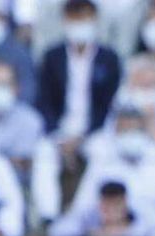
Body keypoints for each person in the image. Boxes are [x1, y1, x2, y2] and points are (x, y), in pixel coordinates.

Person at [61, 104, 155, 236]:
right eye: (124, 128)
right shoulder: (102, 158)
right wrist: (98, 231)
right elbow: (81, 207)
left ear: (143, 128)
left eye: (133, 128)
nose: (129, 133)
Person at [36, 0, 121, 155]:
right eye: (74, 18)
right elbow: (45, 100)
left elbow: (108, 103)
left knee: (101, 151)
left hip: (95, 130)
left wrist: (84, 136)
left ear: (95, 19)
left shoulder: (108, 58)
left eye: (84, 18)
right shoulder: (53, 57)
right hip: (59, 128)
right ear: (65, 20)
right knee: (44, 151)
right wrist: (56, 133)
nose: (79, 23)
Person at [48, 177, 154, 236]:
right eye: (106, 205)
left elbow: (151, 234)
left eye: (115, 204)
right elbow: (55, 232)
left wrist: (118, 235)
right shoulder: (89, 226)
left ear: (125, 204)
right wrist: (89, 235)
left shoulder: (141, 226)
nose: (110, 210)